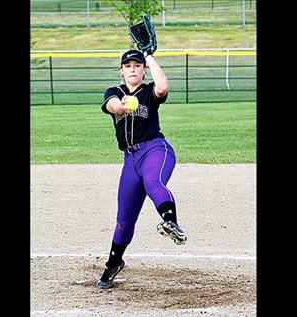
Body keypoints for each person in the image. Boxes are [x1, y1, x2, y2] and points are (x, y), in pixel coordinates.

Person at [96, 49, 187, 289]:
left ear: (143, 70)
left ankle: (170, 221)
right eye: (128, 66)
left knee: (153, 182)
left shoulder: (148, 92)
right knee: (124, 221)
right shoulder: (115, 93)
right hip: (130, 160)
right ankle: (114, 263)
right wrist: (120, 107)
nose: (133, 69)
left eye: (137, 65)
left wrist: (149, 56)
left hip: (155, 150)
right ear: (122, 70)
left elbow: (163, 87)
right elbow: (112, 105)